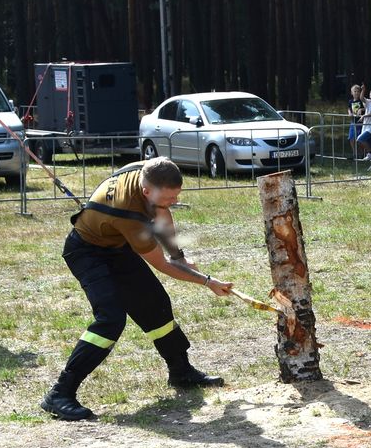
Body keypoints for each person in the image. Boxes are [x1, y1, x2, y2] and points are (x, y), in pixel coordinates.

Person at [40, 157, 234, 421]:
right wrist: (207, 281)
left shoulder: (150, 169)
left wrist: (178, 255)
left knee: (155, 304)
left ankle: (181, 371)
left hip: (116, 245)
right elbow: (162, 265)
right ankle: (60, 393)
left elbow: (162, 211)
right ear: (146, 191)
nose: (175, 201)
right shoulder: (129, 214)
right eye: (169, 197)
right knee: (110, 319)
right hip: (87, 252)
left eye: (176, 195)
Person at [357, 87, 371, 163]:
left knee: (360, 139)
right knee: (369, 143)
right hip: (365, 125)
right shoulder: (368, 101)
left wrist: (364, 116)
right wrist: (363, 90)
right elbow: (361, 98)